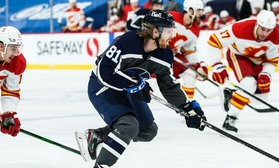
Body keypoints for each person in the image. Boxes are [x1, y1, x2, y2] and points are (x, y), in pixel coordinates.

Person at [81, 10, 206, 167]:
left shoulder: (165, 54)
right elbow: (104, 73)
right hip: (102, 87)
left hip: (129, 90)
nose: (172, 36)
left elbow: (168, 86)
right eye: (168, 31)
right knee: (129, 126)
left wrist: (187, 107)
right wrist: (134, 83)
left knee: (148, 131)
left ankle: (100, 135)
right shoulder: (126, 42)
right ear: (155, 31)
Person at [207, 10, 279, 133]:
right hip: (239, 55)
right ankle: (230, 119)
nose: (265, 33)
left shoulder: (276, 35)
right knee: (249, 83)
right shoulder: (239, 28)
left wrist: (266, 74)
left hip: (258, 60)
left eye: (268, 30)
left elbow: (272, 60)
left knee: (260, 100)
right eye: (262, 29)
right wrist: (217, 66)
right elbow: (213, 41)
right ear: (257, 24)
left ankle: (232, 94)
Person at [169, 0, 209, 99]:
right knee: (152, 83)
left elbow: (188, 51)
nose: (201, 14)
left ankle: (188, 107)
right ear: (191, 9)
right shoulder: (170, 16)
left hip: (172, 57)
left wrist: (197, 66)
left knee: (191, 74)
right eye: (199, 10)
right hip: (155, 55)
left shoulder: (195, 31)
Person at [0, 26, 26, 138]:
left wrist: (9, 113)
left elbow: (11, 90)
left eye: (18, 48)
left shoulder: (18, 62)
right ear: (1, 46)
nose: (16, 53)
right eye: (13, 48)